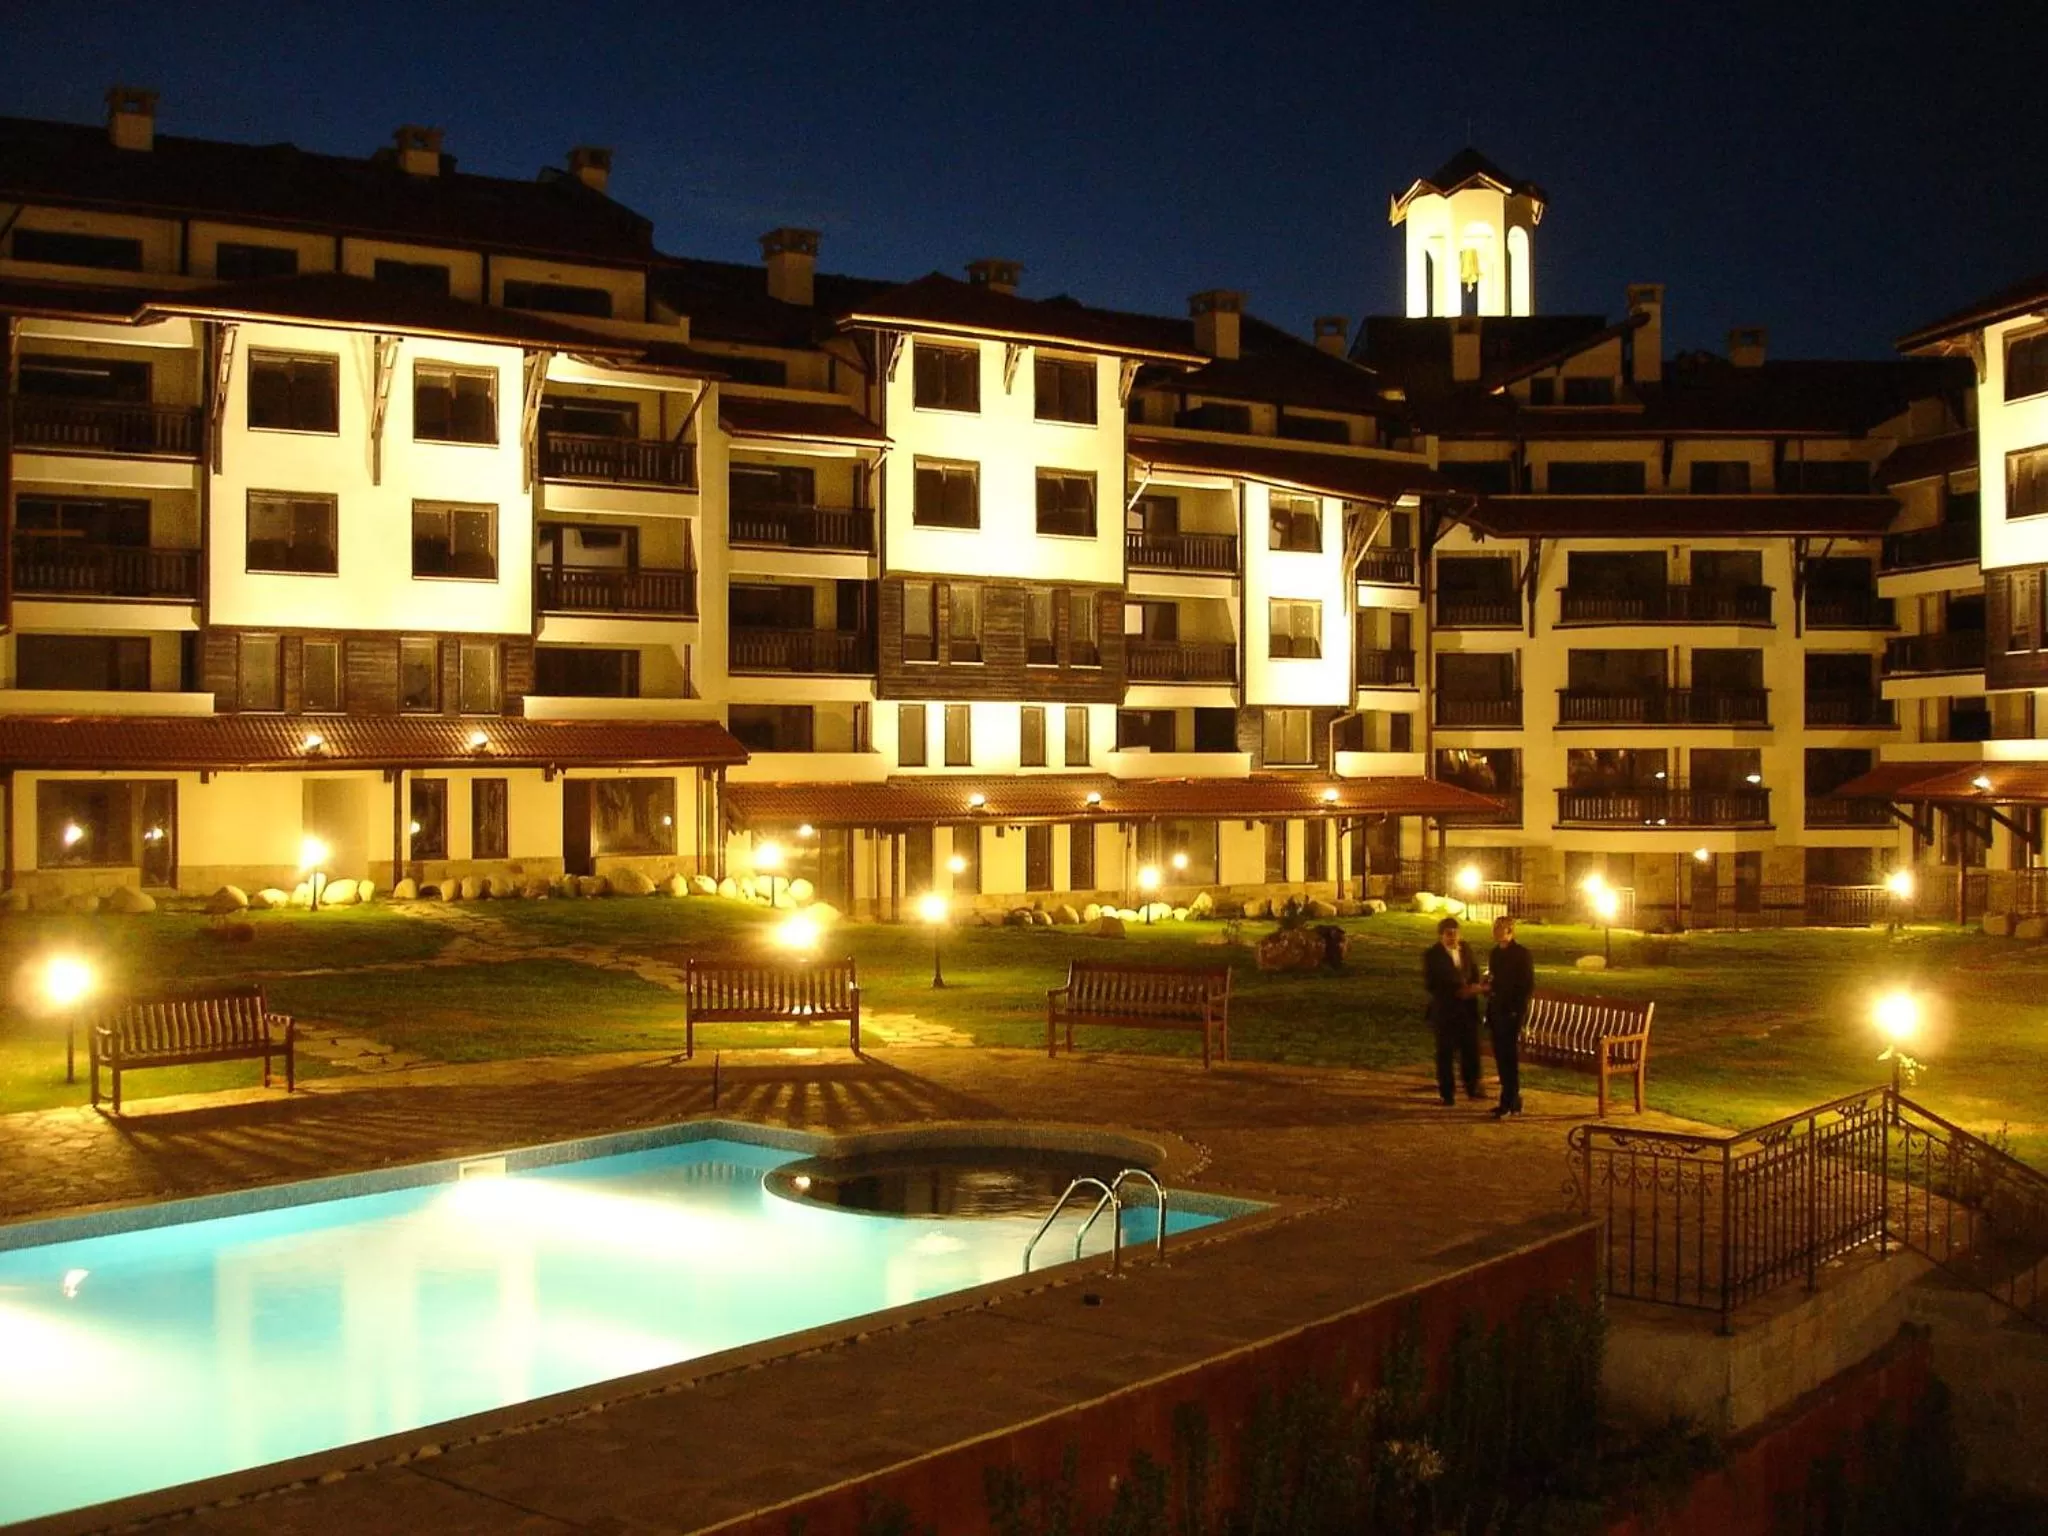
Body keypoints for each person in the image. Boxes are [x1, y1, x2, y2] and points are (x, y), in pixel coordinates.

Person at [1422, 915, 1484, 1105]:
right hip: (1446, 1010)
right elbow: (1432, 983)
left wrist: (1474, 987)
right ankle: (1447, 1092)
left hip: (1467, 1010)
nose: (1453, 938)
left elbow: (1474, 972)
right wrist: (1456, 990)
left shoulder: (1466, 950)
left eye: (1455, 934)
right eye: (1449, 934)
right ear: (1441, 936)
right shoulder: (1433, 955)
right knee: (1446, 1053)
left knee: (1470, 1050)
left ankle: (1472, 1086)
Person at [1485, 914, 1536, 1118]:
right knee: (1500, 1054)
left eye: (1500, 928)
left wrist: (1518, 1010)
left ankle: (1508, 1099)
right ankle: (1511, 1099)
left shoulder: (1521, 954)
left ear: (1510, 931)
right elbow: (1495, 979)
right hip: (1497, 1008)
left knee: (1509, 1055)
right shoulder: (1495, 954)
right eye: (1495, 928)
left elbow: (1526, 984)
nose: (1496, 932)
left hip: (1512, 1011)